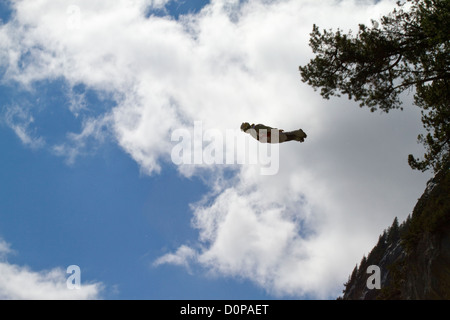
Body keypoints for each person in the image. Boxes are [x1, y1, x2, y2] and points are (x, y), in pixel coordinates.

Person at [240, 122, 307, 143]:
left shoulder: (255, 128)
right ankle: (299, 137)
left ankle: (299, 134)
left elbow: (267, 129)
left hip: (272, 136)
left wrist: (276, 131)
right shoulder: (253, 132)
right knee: (287, 137)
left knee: (287, 136)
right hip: (271, 139)